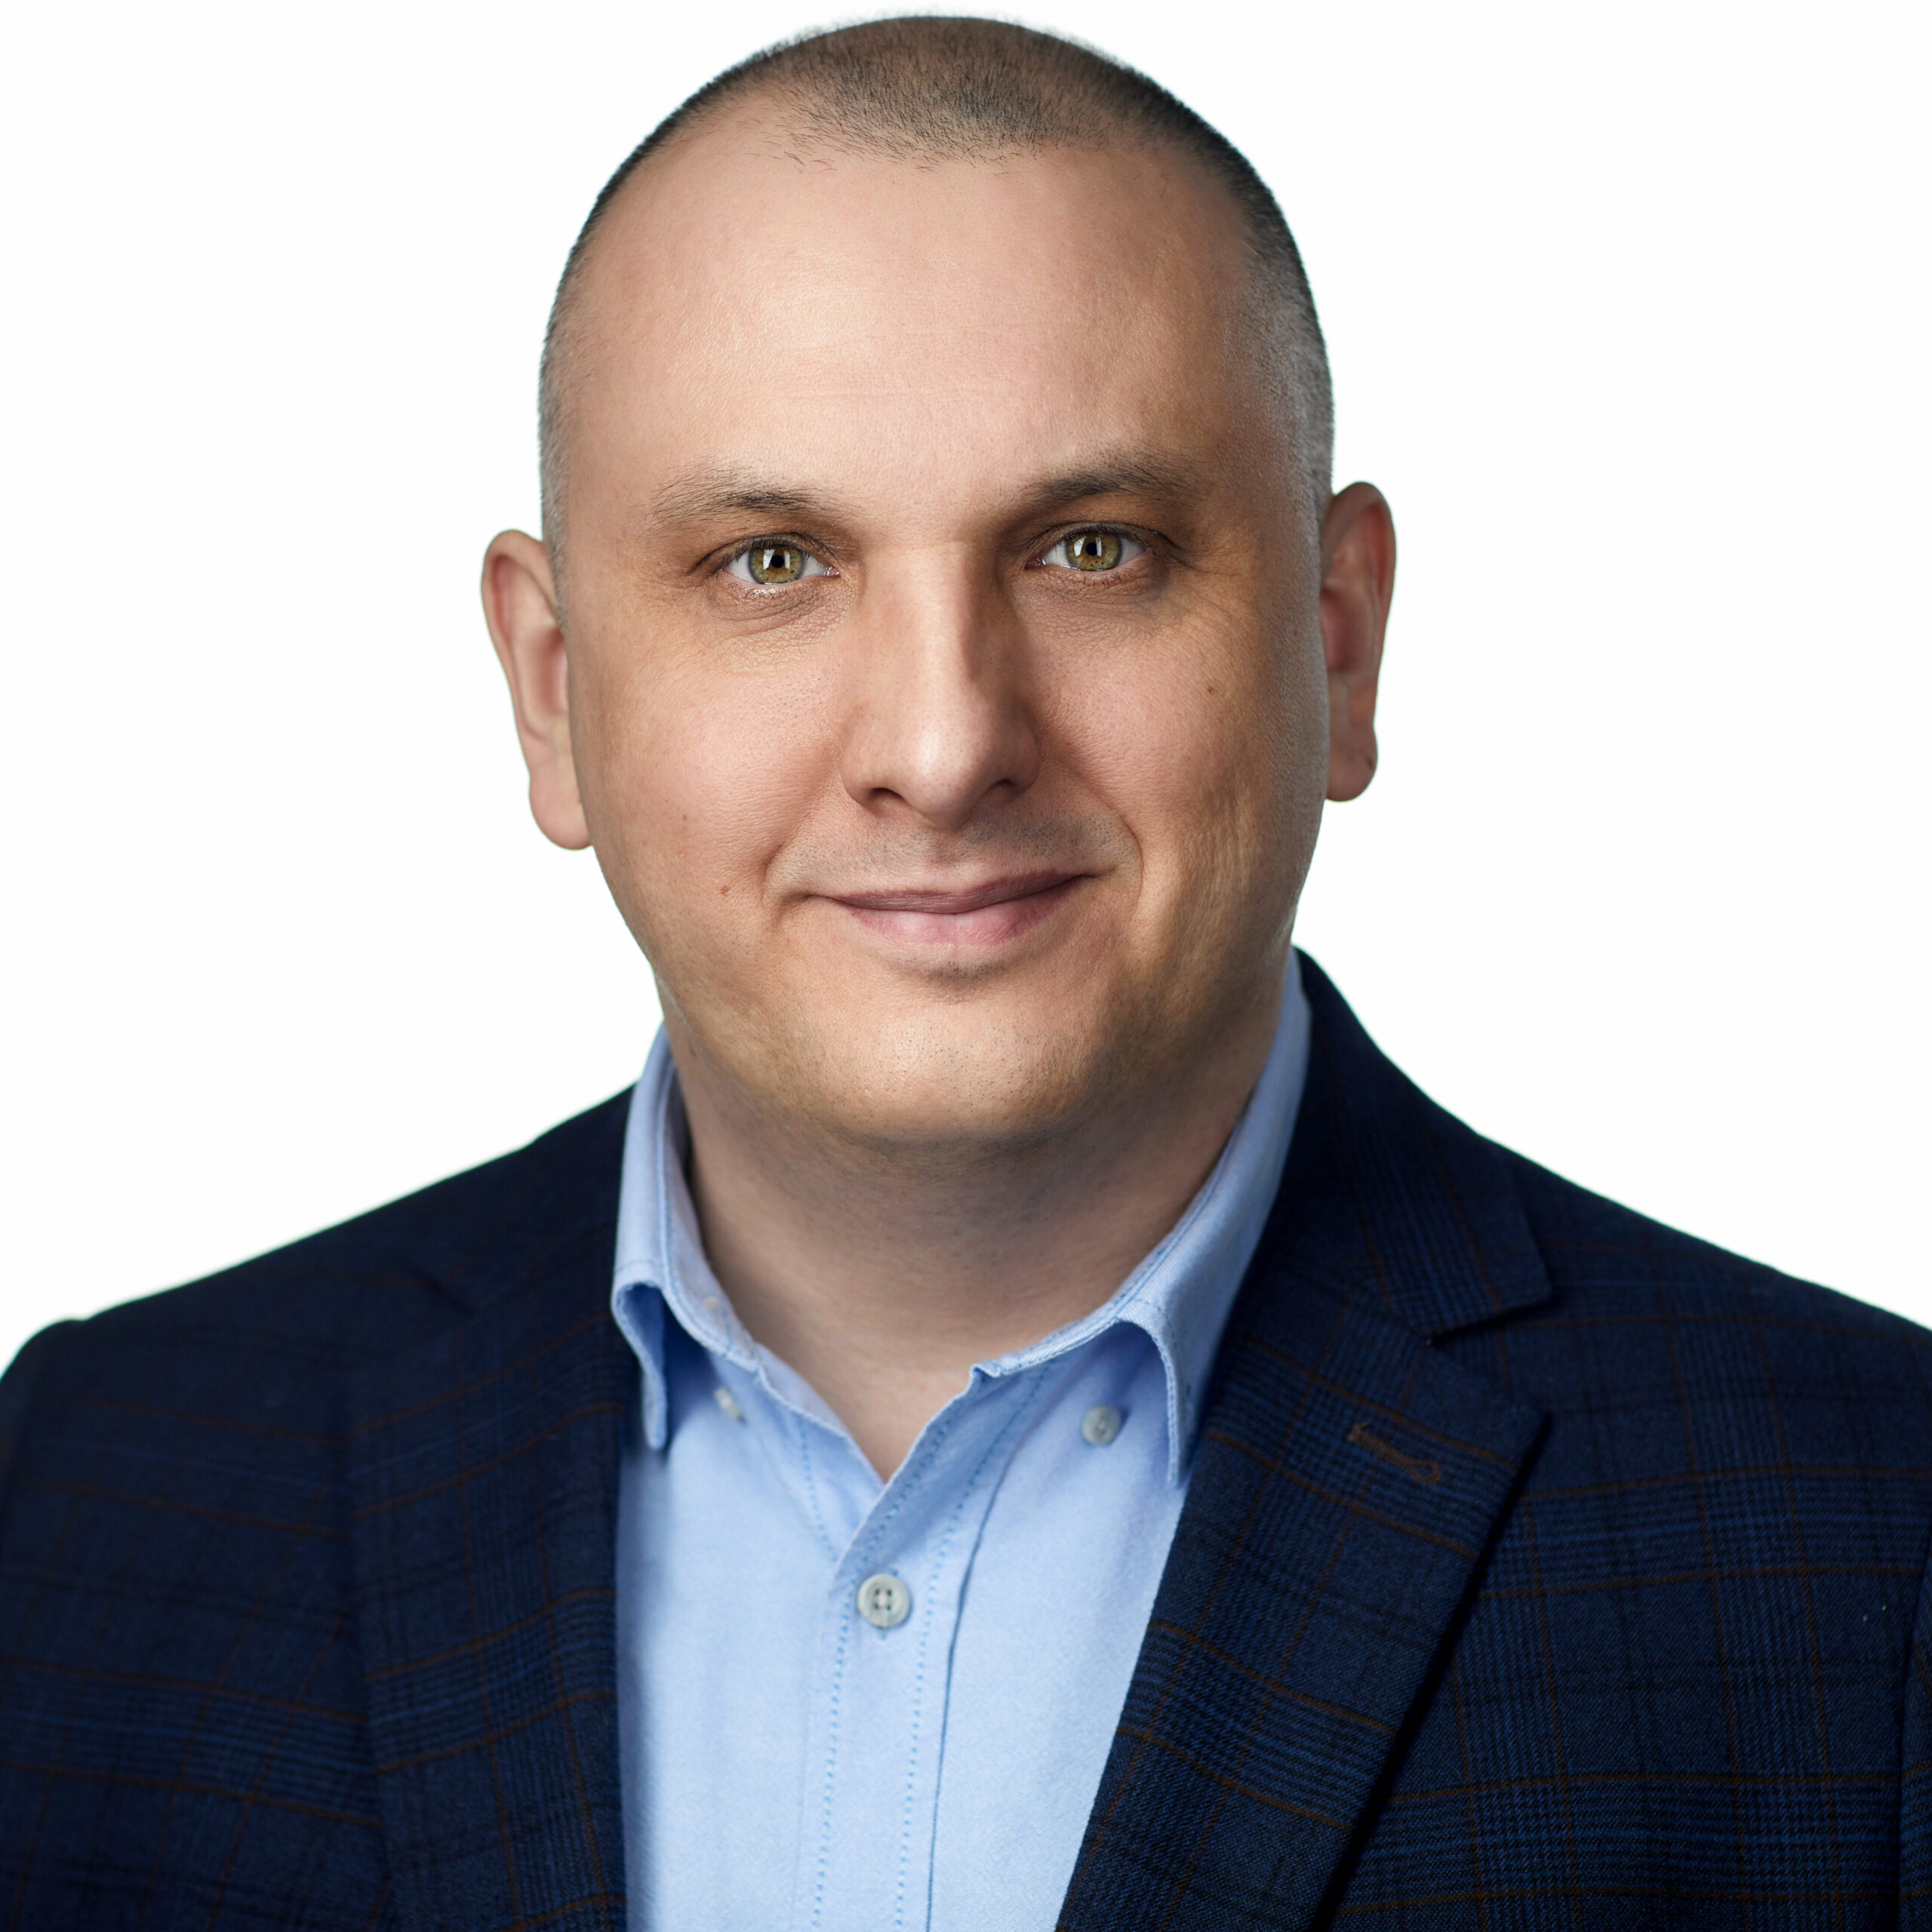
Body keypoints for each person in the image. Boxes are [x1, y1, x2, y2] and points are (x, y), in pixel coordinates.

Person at [2, 16, 1927, 1928]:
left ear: (1336, 643)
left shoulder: (1871, 1535)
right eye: (771, 562)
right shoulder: (88, 1492)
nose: (940, 746)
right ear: (552, 688)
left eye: (1092, 547)